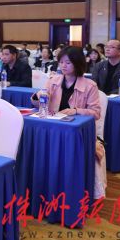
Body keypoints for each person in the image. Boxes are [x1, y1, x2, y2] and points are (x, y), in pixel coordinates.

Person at [32, 47, 106, 199]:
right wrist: (37, 96)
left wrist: (76, 110)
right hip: (54, 129)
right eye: (61, 62)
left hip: (77, 134)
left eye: (68, 62)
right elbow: (40, 104)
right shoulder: (53, 81)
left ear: (77, 63)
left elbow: (96, 113)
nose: (63, 66)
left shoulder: (90, 85)